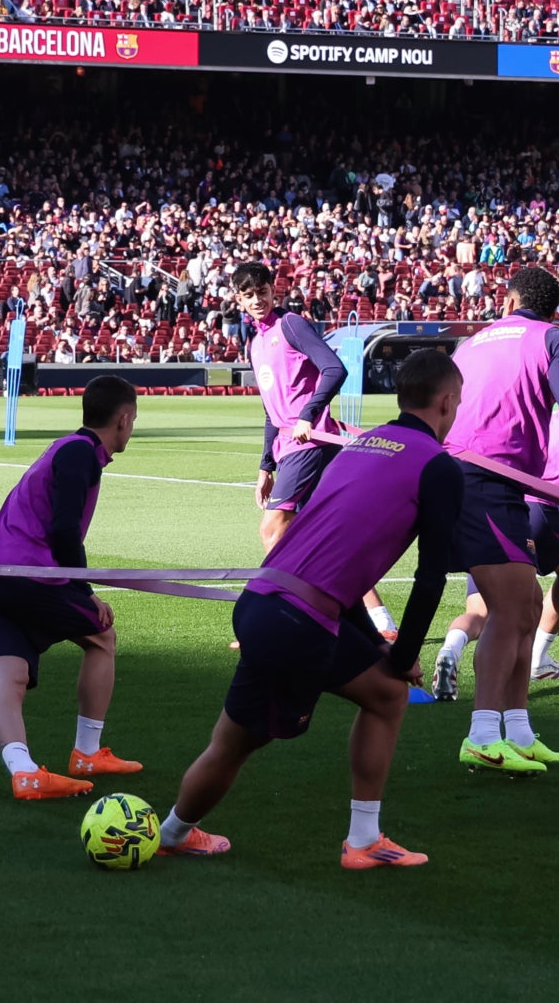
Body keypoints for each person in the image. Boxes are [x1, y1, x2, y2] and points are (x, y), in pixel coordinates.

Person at [156, 349, 464, 868]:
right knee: (389, 696)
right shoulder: (437, 466)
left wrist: (381, 647)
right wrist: (403, 654)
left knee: (234, 741)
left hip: (261, 602)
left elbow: (335, 567)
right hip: (301, 622)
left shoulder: (359, 443)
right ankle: (363, 843)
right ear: (448, 401)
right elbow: (431, 578)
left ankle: (172, 832)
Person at [443, 267, 559, 775]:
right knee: (511, 608)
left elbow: (450, 401)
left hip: (477, 477)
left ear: (511, 298)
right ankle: (481, 735)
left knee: (521, 608)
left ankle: (518, 733)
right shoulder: (557, 341)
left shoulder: (473, 343)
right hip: (488, 481)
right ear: (555, 306)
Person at [0, 376, 143, 801]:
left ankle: (24, 773)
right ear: (124, 418)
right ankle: (87, 753)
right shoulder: (81, 454)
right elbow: (63, 531)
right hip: (27, 577)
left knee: (10, 676)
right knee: (102, 635)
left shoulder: (66, 447)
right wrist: (85, 591)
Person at [233, 263, 393, 635]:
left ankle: (277, 619)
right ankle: (380, 624)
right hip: (288, 446)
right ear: (238, 298)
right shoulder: (256, 342)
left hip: (311, 441)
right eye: (248, 295)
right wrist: (265, 466)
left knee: (273, 531)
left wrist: (308, 414)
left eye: (262, 291)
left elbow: (334, 369)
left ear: (273, 291)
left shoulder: (290, 324)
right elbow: (271, 409)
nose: (257, 300)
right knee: (330, 537)